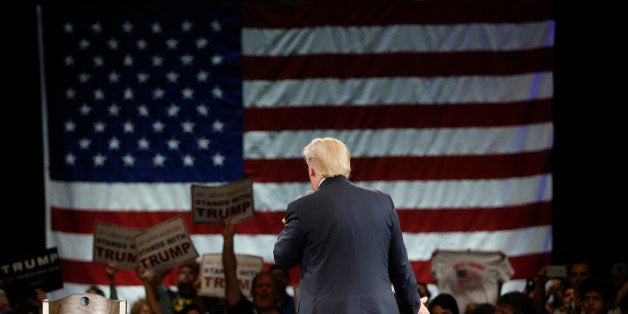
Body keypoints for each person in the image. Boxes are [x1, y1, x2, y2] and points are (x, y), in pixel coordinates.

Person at [273, 137, 422, 314]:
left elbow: (282, 257)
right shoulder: (382, 201)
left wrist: (293, 218)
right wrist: (416, 307)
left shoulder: (303, 207)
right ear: (347, 167)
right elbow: (400, 266)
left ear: (312, 170)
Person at [221, 218, 283, 314]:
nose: (264, 289)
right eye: (259, 285)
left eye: (268, 285)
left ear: (276, 293)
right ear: (252, 292)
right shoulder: (243, 310)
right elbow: (230, 274)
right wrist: (228, 241)